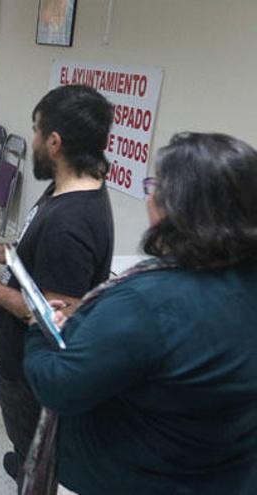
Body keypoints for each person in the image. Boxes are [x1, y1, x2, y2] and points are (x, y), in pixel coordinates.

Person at [24, 132, 257, 494]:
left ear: (178, 206)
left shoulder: (145, 303)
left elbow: (60, 386)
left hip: (130, 476)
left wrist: (40, 331)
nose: (149, 195)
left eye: (156, 185)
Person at [0, 84, 114, 486]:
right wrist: (6, 252)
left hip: (29, 369)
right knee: (24, 444)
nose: (36, 141)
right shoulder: (74, 185)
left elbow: (58, 317)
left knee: (36, 456)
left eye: (38, 132)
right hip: (19, 355)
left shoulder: (71, 224)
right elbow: (43, 259)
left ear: (55, 142)